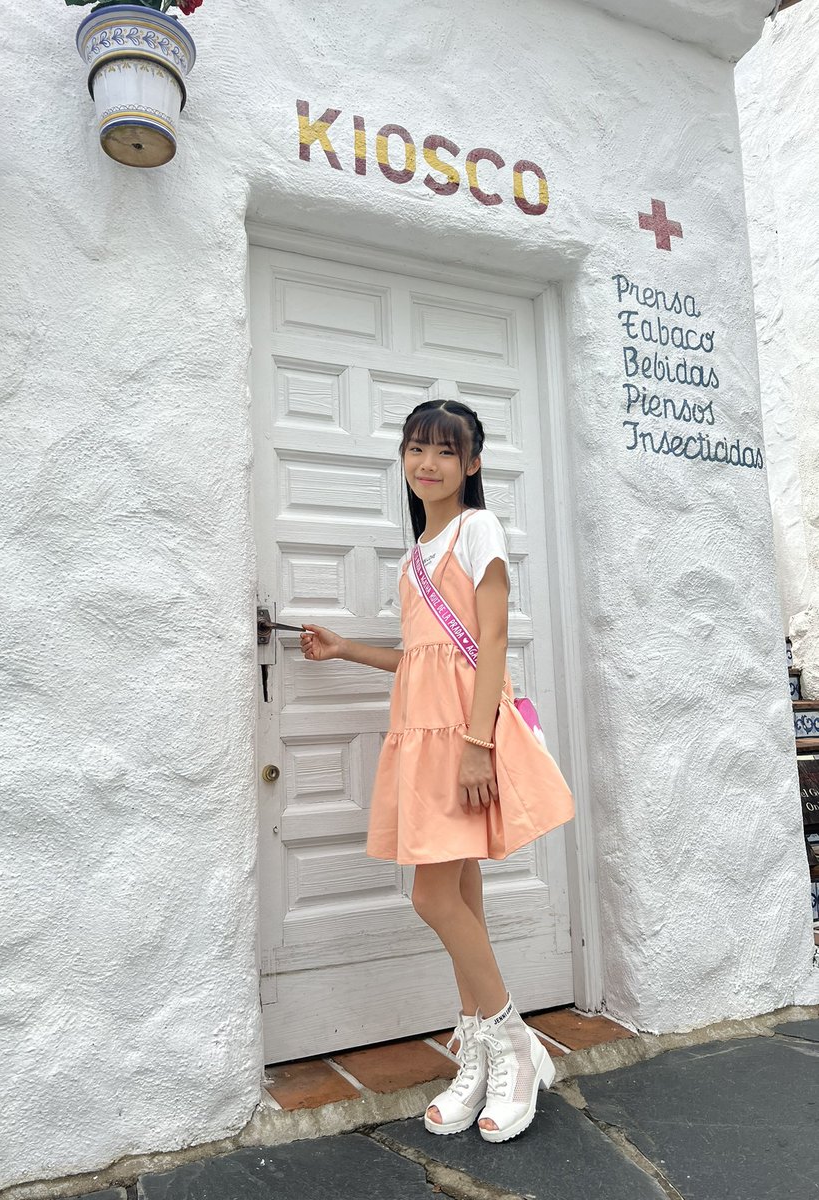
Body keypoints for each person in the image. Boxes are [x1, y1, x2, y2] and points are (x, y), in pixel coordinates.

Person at [299, 399, 574, 1143]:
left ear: (472, 464)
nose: (428, 463)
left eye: (446, 451)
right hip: (422, 733)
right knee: (460, 898)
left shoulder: (478, 529)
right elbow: (423, 659)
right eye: (417, 448)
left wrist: (477, 743)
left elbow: (491, 642)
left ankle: (514, 1044)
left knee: (430, 895)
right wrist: (346, 649)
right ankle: (481, 1052)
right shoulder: (415, 555)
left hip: (461, 734)